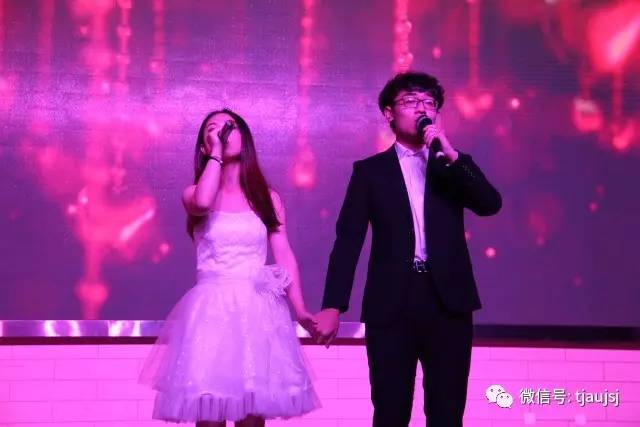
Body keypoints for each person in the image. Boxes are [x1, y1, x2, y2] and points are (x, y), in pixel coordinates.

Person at [314, 71, 502, 426]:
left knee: (447, 413)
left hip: (448, 302)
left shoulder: (453, 165)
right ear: (389, 112)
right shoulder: (369, 172)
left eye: (430, 102)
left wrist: (451, 154)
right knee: (390, 410)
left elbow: (490, 204)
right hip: (391, 302)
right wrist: (333, 305)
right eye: (411, 101)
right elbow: (348, 240)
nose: (422, 108)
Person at [140, 109, 320, 427]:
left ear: (245, 138)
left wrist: (301, 308)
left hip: (256, 312)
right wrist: (216, 154)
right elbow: (203, 201)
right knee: (210, 412)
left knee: (252, 413)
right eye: (213, 128)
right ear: (204, 145)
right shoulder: (193, 193)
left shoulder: (267, 198)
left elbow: (284, 254)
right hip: (211, 313)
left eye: (230, 126)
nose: (223, 131)